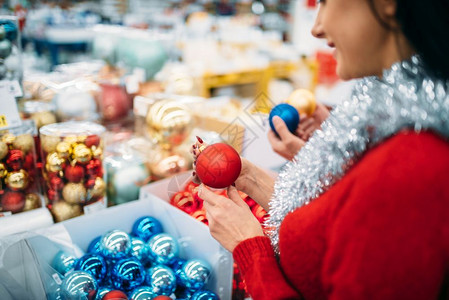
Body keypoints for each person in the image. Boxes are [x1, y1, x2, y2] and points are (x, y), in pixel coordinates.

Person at [193, 0, 449, 299]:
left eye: (326, 2)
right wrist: (247, 175)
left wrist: (249, 249)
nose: (316, 28)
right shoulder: (393, 115)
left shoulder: (409, 167)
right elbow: (331, 223)